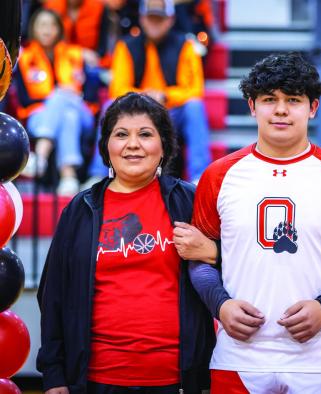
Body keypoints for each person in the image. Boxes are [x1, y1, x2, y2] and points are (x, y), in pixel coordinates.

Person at [184, 52, 321, 394]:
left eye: (293, 100)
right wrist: (220, 304)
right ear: (252, 106)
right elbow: (198, 257)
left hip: (320, 360)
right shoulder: (218, 176)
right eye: (270, 100)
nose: (281, 110)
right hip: (239, 357)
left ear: (312, 107)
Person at [37, 92, 216, 394]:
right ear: (107, 147)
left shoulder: (189, 201)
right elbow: (53, 293)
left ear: (163, 146)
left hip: (177, 380)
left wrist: (213, 251)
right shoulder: (81, 209)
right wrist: (54, 375)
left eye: (145, 134)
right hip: (96, 379)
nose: (133, 144)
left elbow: (240, 266)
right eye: (121, 134)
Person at [88, 0, 211, 184]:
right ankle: (98, 174)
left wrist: (165, 95)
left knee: (194, 107)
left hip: (171, 110)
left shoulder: (185, 45)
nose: (154, 23)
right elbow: (118, 87)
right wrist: (145, 96)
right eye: (150, 18)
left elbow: (195, 90)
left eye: (159, 19)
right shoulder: (126, 45)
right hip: (136, 111)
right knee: (109, 106)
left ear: (170, 19)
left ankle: (199, 177)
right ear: (142, 18)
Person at [15, 8, 98, 195]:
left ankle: (40, 156)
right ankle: (68, 177)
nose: (47, 29)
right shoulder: (25, 58)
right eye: (42, 25)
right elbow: (24, 100)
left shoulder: (76, 55)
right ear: (33, 28)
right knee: (68, 115)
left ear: (60, 29)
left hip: (82, 111)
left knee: (64, 99)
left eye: (52, 25)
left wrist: (70, 97)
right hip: (38, 115)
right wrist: (55, 97)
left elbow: (92, 96)